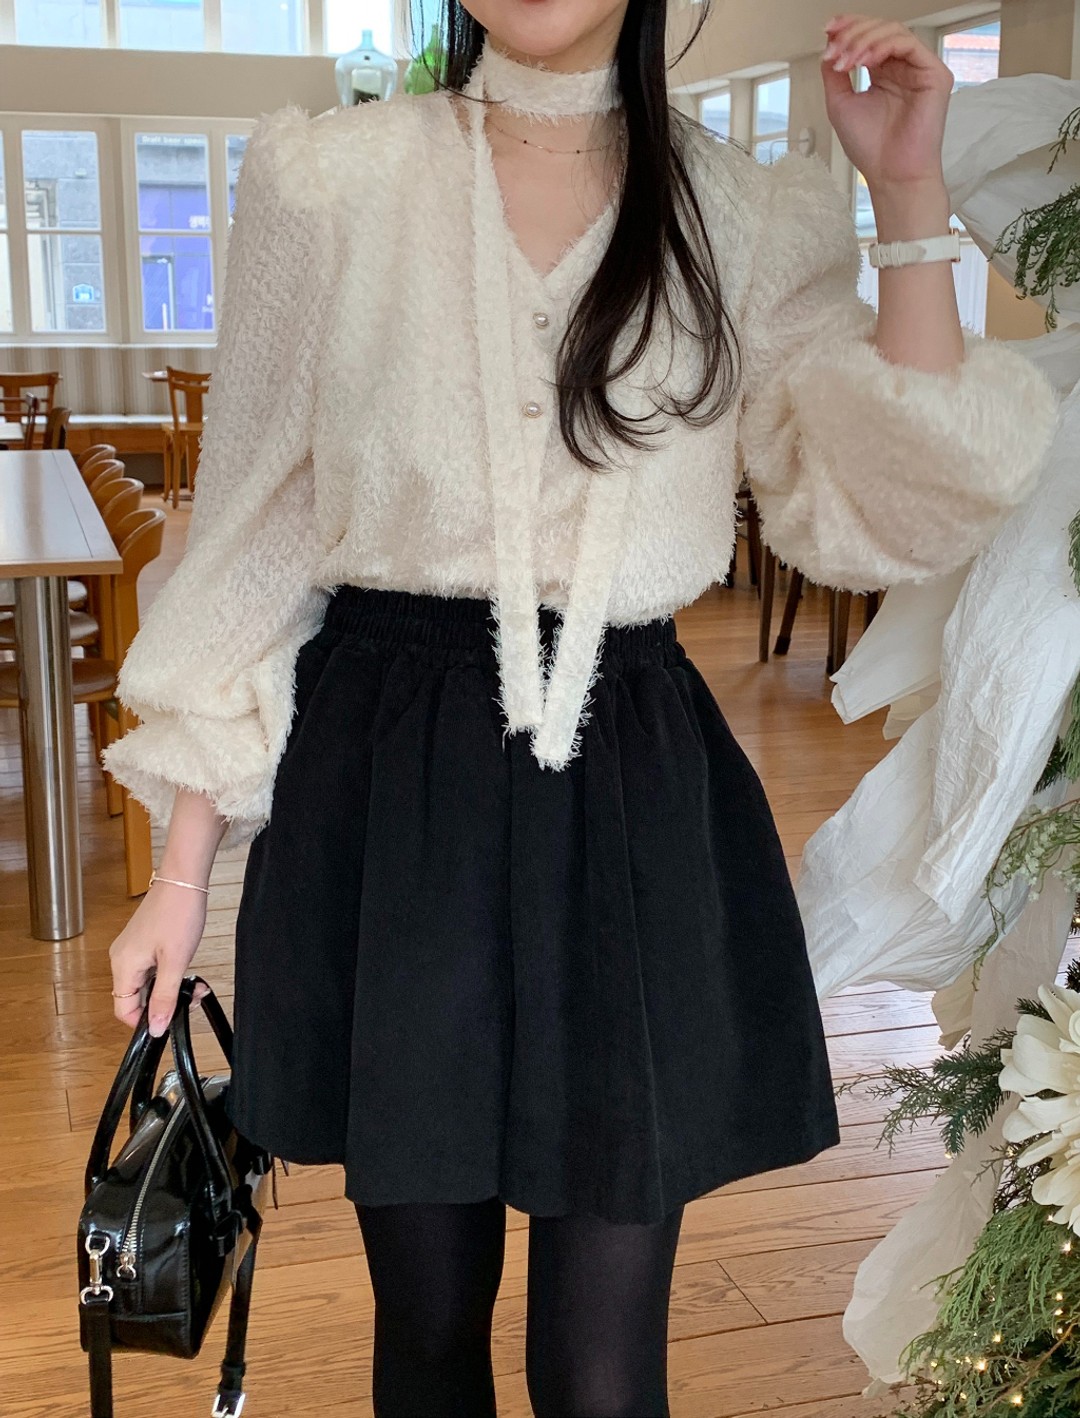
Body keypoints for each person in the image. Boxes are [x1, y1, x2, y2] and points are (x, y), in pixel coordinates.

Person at [100, 3, 1061, 1414]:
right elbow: (256, 533)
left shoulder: (739, 209)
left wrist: (907, 195)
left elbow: (885, 507)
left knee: (604, 1370)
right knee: (428, 1330)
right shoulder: (331, 184)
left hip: (629, 790)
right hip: (391, 795)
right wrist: (181, 878)